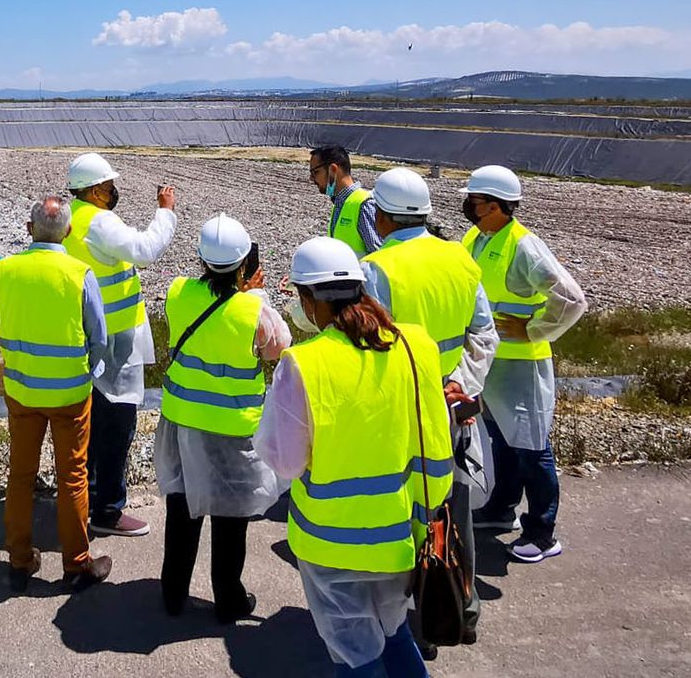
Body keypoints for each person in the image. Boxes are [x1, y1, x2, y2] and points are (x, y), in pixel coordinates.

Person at [255, 237, 453, 678]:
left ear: (309, 301)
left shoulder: (304, 364)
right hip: (405, 533)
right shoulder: (417, 345)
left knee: (354, 652)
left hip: (331, 545)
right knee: (394, 627)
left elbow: (283, 461)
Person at [360, 167, 496, 648]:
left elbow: (370, 346)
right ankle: (463, 604)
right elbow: (484, 334)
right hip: (454, 410)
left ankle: (415, 619)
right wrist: (461, 383)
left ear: (381, 215)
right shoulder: (459, 259)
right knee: (454, 509)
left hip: (405, 414)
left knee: (406, 512)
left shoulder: (378, 269)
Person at [156, 213, 289, 623]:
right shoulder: (254, 309)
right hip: (231, 428)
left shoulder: (178, 292)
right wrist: (254, 295)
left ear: (200, 259)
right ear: (246, 264)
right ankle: (228, 600)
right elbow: (278, 348)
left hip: (181, 422)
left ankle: (172, 593)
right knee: (230, 519)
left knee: (182, 511)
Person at [460, 165, 587, 563]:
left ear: (495, 205)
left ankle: (543, 534)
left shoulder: (524, 245)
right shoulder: (477, 238)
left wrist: (533, 329)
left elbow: (571, 298)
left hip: (523, 366)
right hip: (493, 364)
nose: (469, 206)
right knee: (503, 442)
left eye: (475, 201)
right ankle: (501, 511)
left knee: (532, 449)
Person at [0, 196, 113, 591]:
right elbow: (99, 337)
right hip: (69, 394)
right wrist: (89, 371)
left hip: (22, 390)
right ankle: (77, 562)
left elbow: (1, 322)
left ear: (29, 230)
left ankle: (18, 559)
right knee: (73, 477)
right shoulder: (79, 273)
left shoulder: (5, 271)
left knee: (21, 474)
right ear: (68, 230)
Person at [62, 151, 178, 537]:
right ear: (95, 190)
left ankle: (87, 500)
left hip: (91, 335)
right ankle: (107, 511)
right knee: (117, 427)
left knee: (93, 426)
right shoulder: (99, 221)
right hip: (116, 339)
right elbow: (144, 250)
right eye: (109, 186)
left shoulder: (72, 218)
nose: (114, 192)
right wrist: (166, 211)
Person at [309, 145, 381, 256]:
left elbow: (379, 256)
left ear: (333, 170)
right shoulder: (340, 204)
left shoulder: (363, 205)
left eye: (315, 172)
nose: (311, 178)